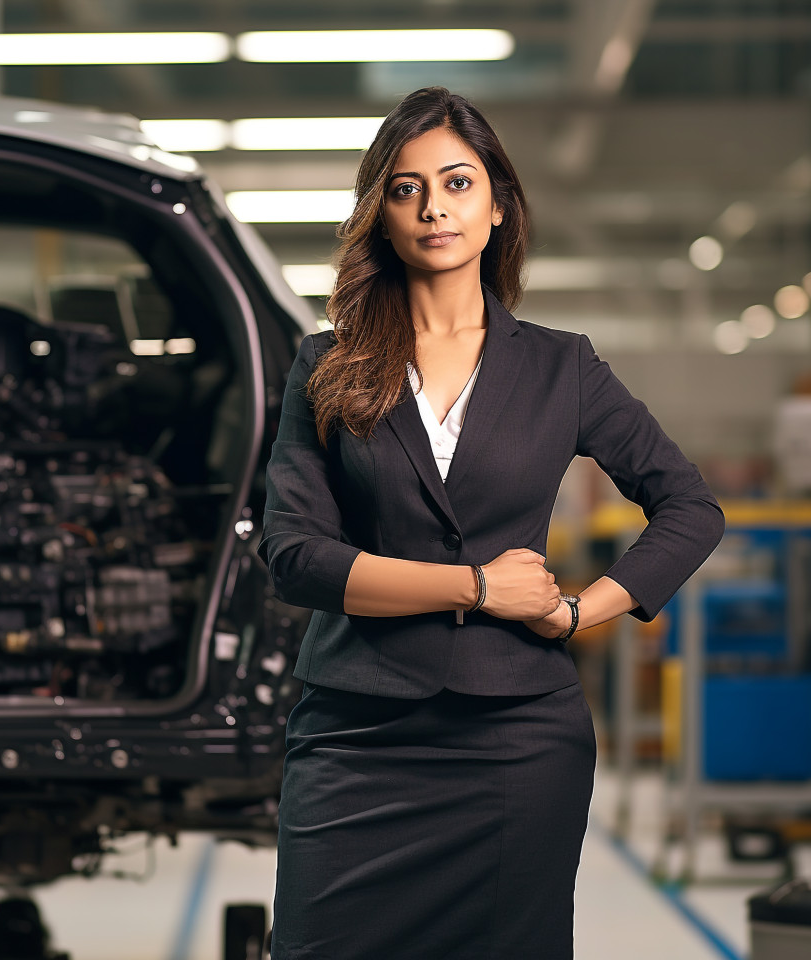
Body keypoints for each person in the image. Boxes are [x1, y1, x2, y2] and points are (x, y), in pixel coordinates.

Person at [256, 86, 724, 960]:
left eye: (459, 182)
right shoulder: (325, 365)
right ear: (381, 217)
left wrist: (583, 612)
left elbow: (691, 506)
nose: (435, 206)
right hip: (358, 733)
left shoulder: (562, 367)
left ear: (498, 204)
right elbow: (295, 557)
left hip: (518, 740)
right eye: (406, 188)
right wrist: (475, 587)